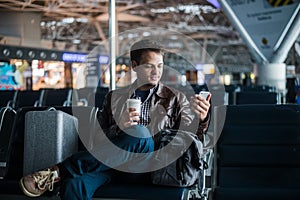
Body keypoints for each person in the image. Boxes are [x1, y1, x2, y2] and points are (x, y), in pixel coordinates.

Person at [19, 39, 211, 199]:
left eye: (159, 66)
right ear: (134, 66)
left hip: (152, 166)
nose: (156, 72)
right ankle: (64, 175)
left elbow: (190, 141)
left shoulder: (176, 98)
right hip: (114, 164)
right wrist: (119, 127)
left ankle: (58, 171)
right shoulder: (114, 97)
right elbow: (97, 140)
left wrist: (201, 120)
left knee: (139, 133)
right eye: (149, 66)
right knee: (74, 185)